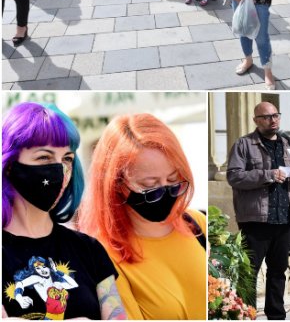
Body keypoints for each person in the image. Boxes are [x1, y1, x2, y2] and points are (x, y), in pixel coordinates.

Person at [2, 102, 126, 320]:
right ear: (10, 165)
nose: (61, 171)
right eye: (44, 157)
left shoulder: (89, 249)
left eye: (67, 159)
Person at [76, 114, 205, 320]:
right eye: (150, 187)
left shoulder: (197, 223)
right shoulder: (103, 256)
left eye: (174, 182)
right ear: (116, 184)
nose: (164, 193)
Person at [226, 102, 290, 320]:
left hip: (285, 218)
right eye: (267, 117)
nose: (273, 120)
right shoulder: (244, 144)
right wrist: (268, 175)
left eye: (276, 116)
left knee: (278, 272)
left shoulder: (288, 143)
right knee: (249, 273)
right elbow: (234, 176)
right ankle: (247, 315)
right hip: (256, 220)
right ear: (256, 120)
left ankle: (276, 315)